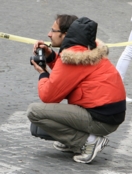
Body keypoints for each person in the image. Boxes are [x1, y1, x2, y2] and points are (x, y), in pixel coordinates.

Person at [27, 14, 126, 164]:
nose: (49, 34)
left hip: (101, 119)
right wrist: (51, 57)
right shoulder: (84, 50)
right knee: (54, 111)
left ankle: (87, 142)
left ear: (65, 34)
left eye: (53, 30)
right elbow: (67, 77)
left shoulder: (73, 57)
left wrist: (43, 73)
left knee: (35, 112)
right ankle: (73, 142)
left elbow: (48, 96)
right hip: (110, 115)